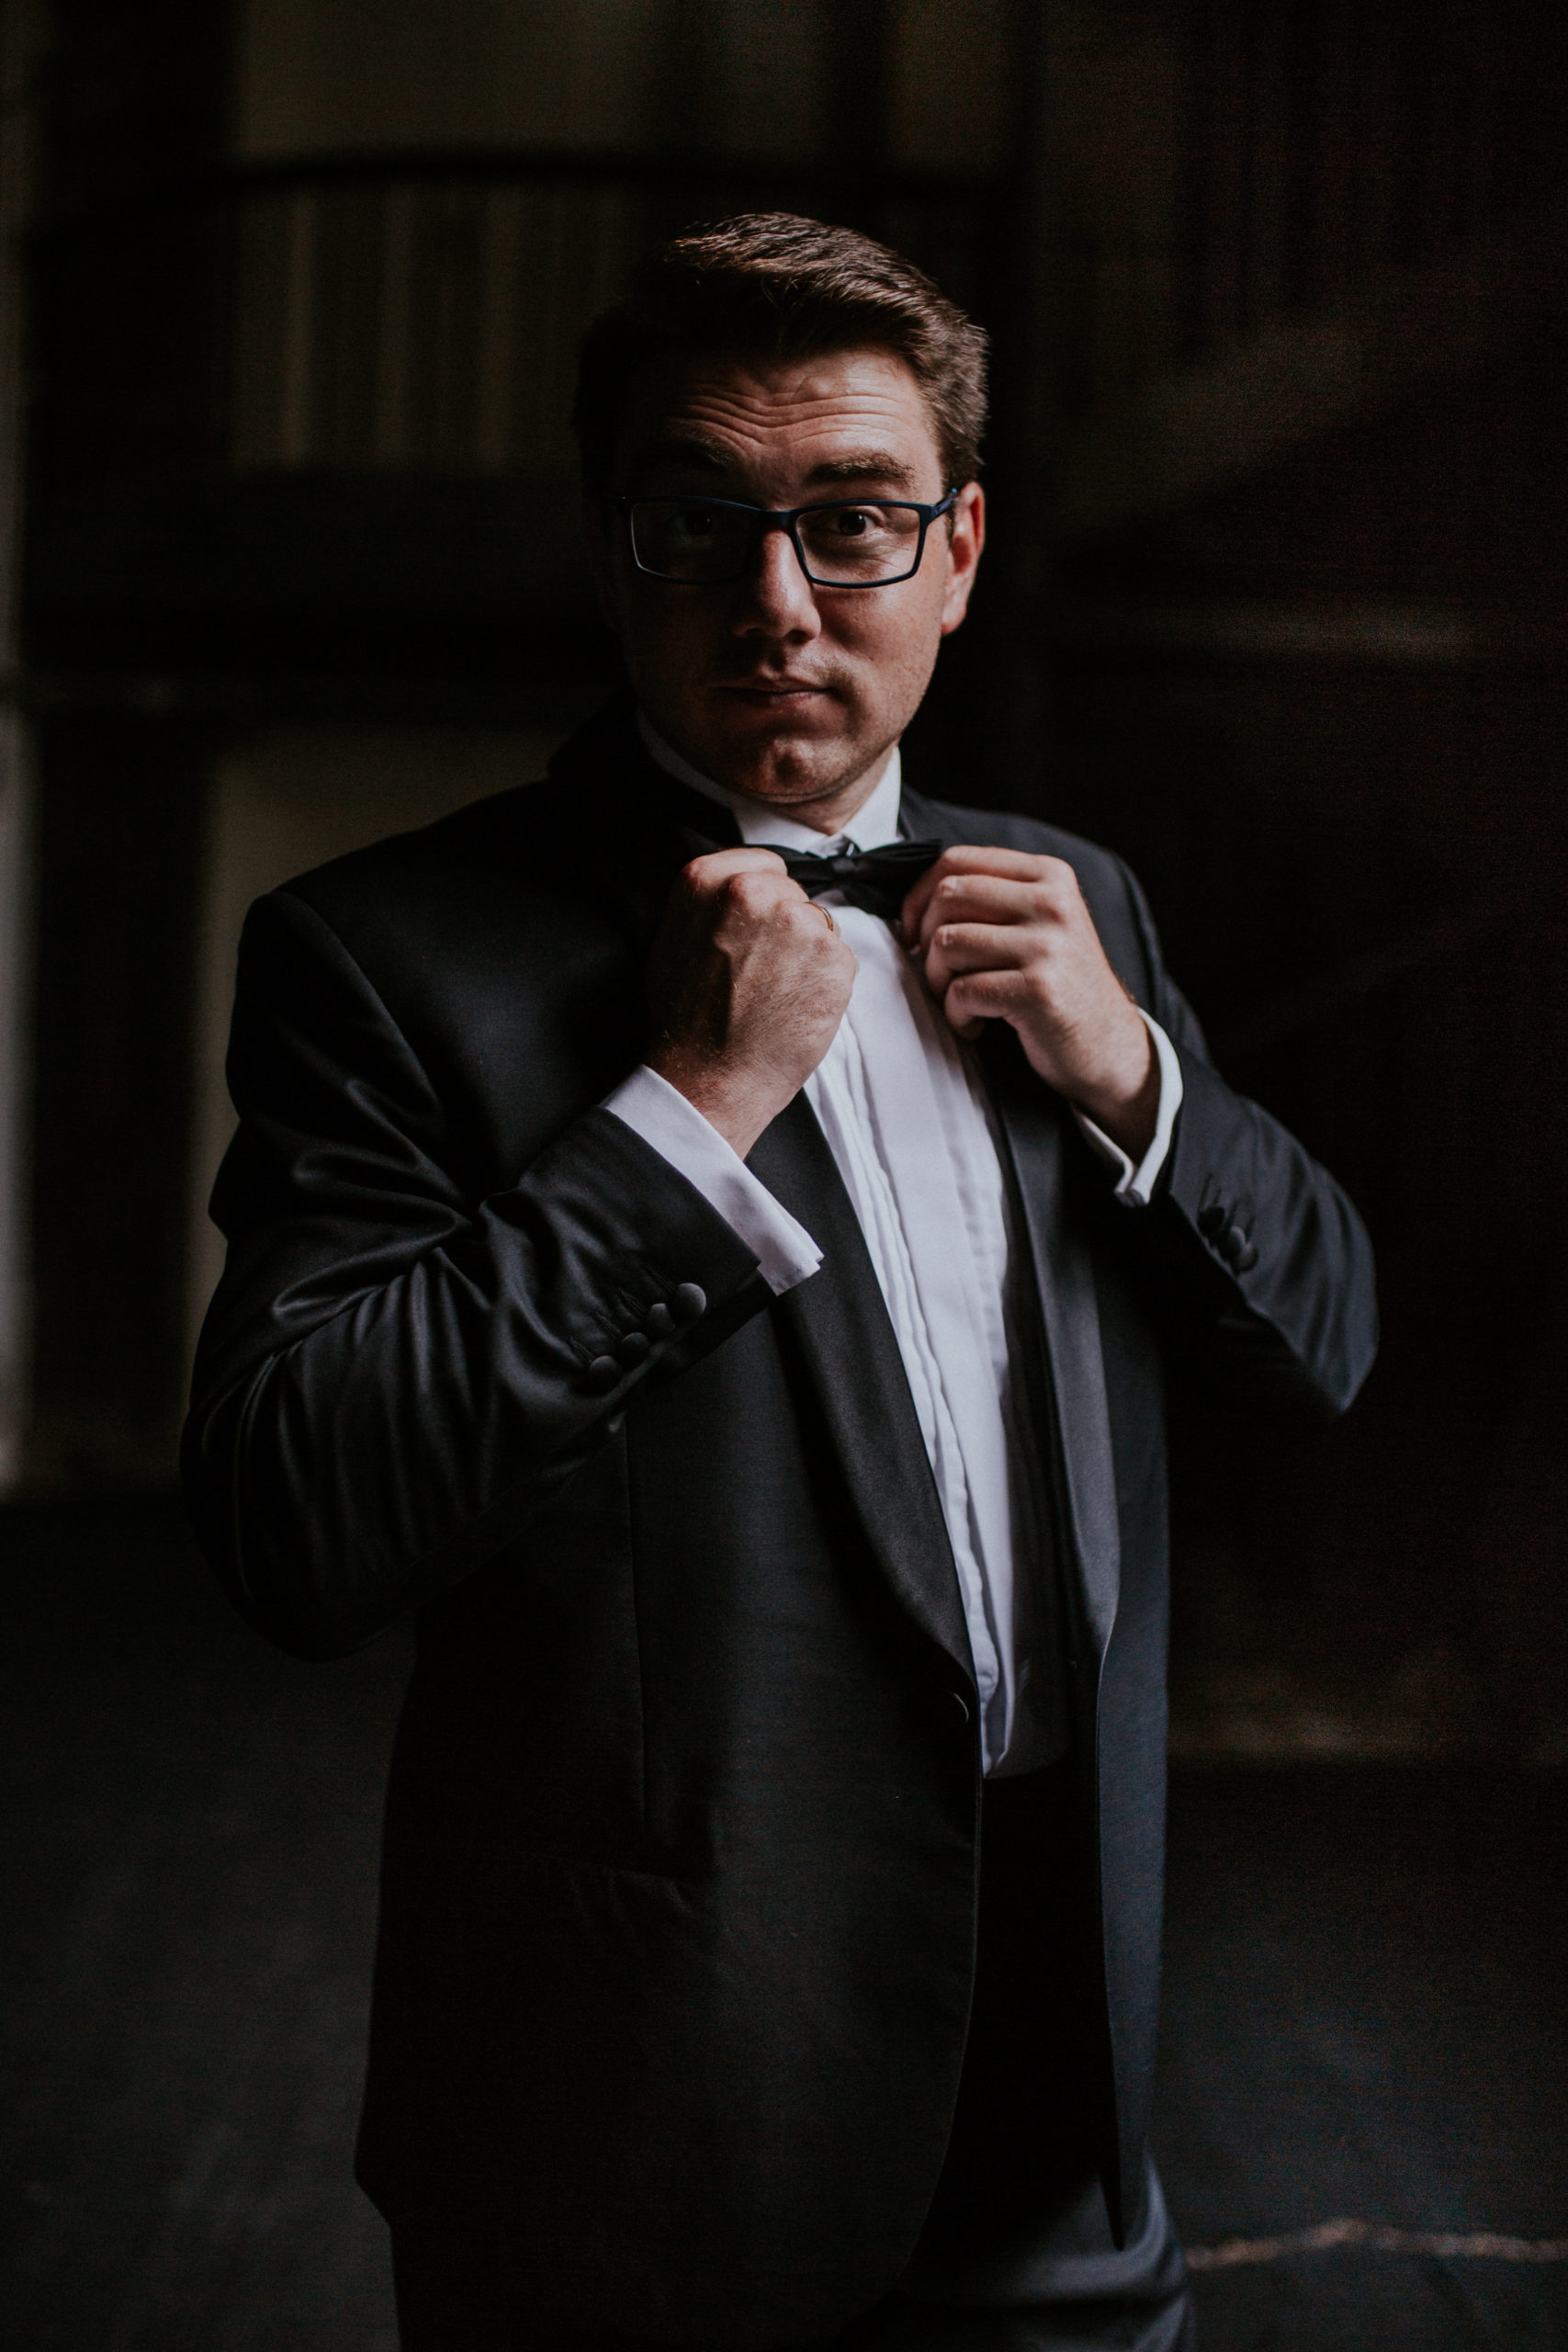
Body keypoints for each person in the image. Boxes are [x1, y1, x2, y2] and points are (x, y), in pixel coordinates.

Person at [184, 213, 1376, 2350]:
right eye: (699, 524)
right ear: (608, 552)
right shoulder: (374, 956)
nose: (776, 602)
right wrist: (688, 1105)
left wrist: (1135, 1075)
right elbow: (297, 1517)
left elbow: (1329, 1342)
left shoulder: (1077, 902)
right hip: (635, 2122)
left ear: (957, 548)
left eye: (849, 520)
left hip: (1057, 2096)